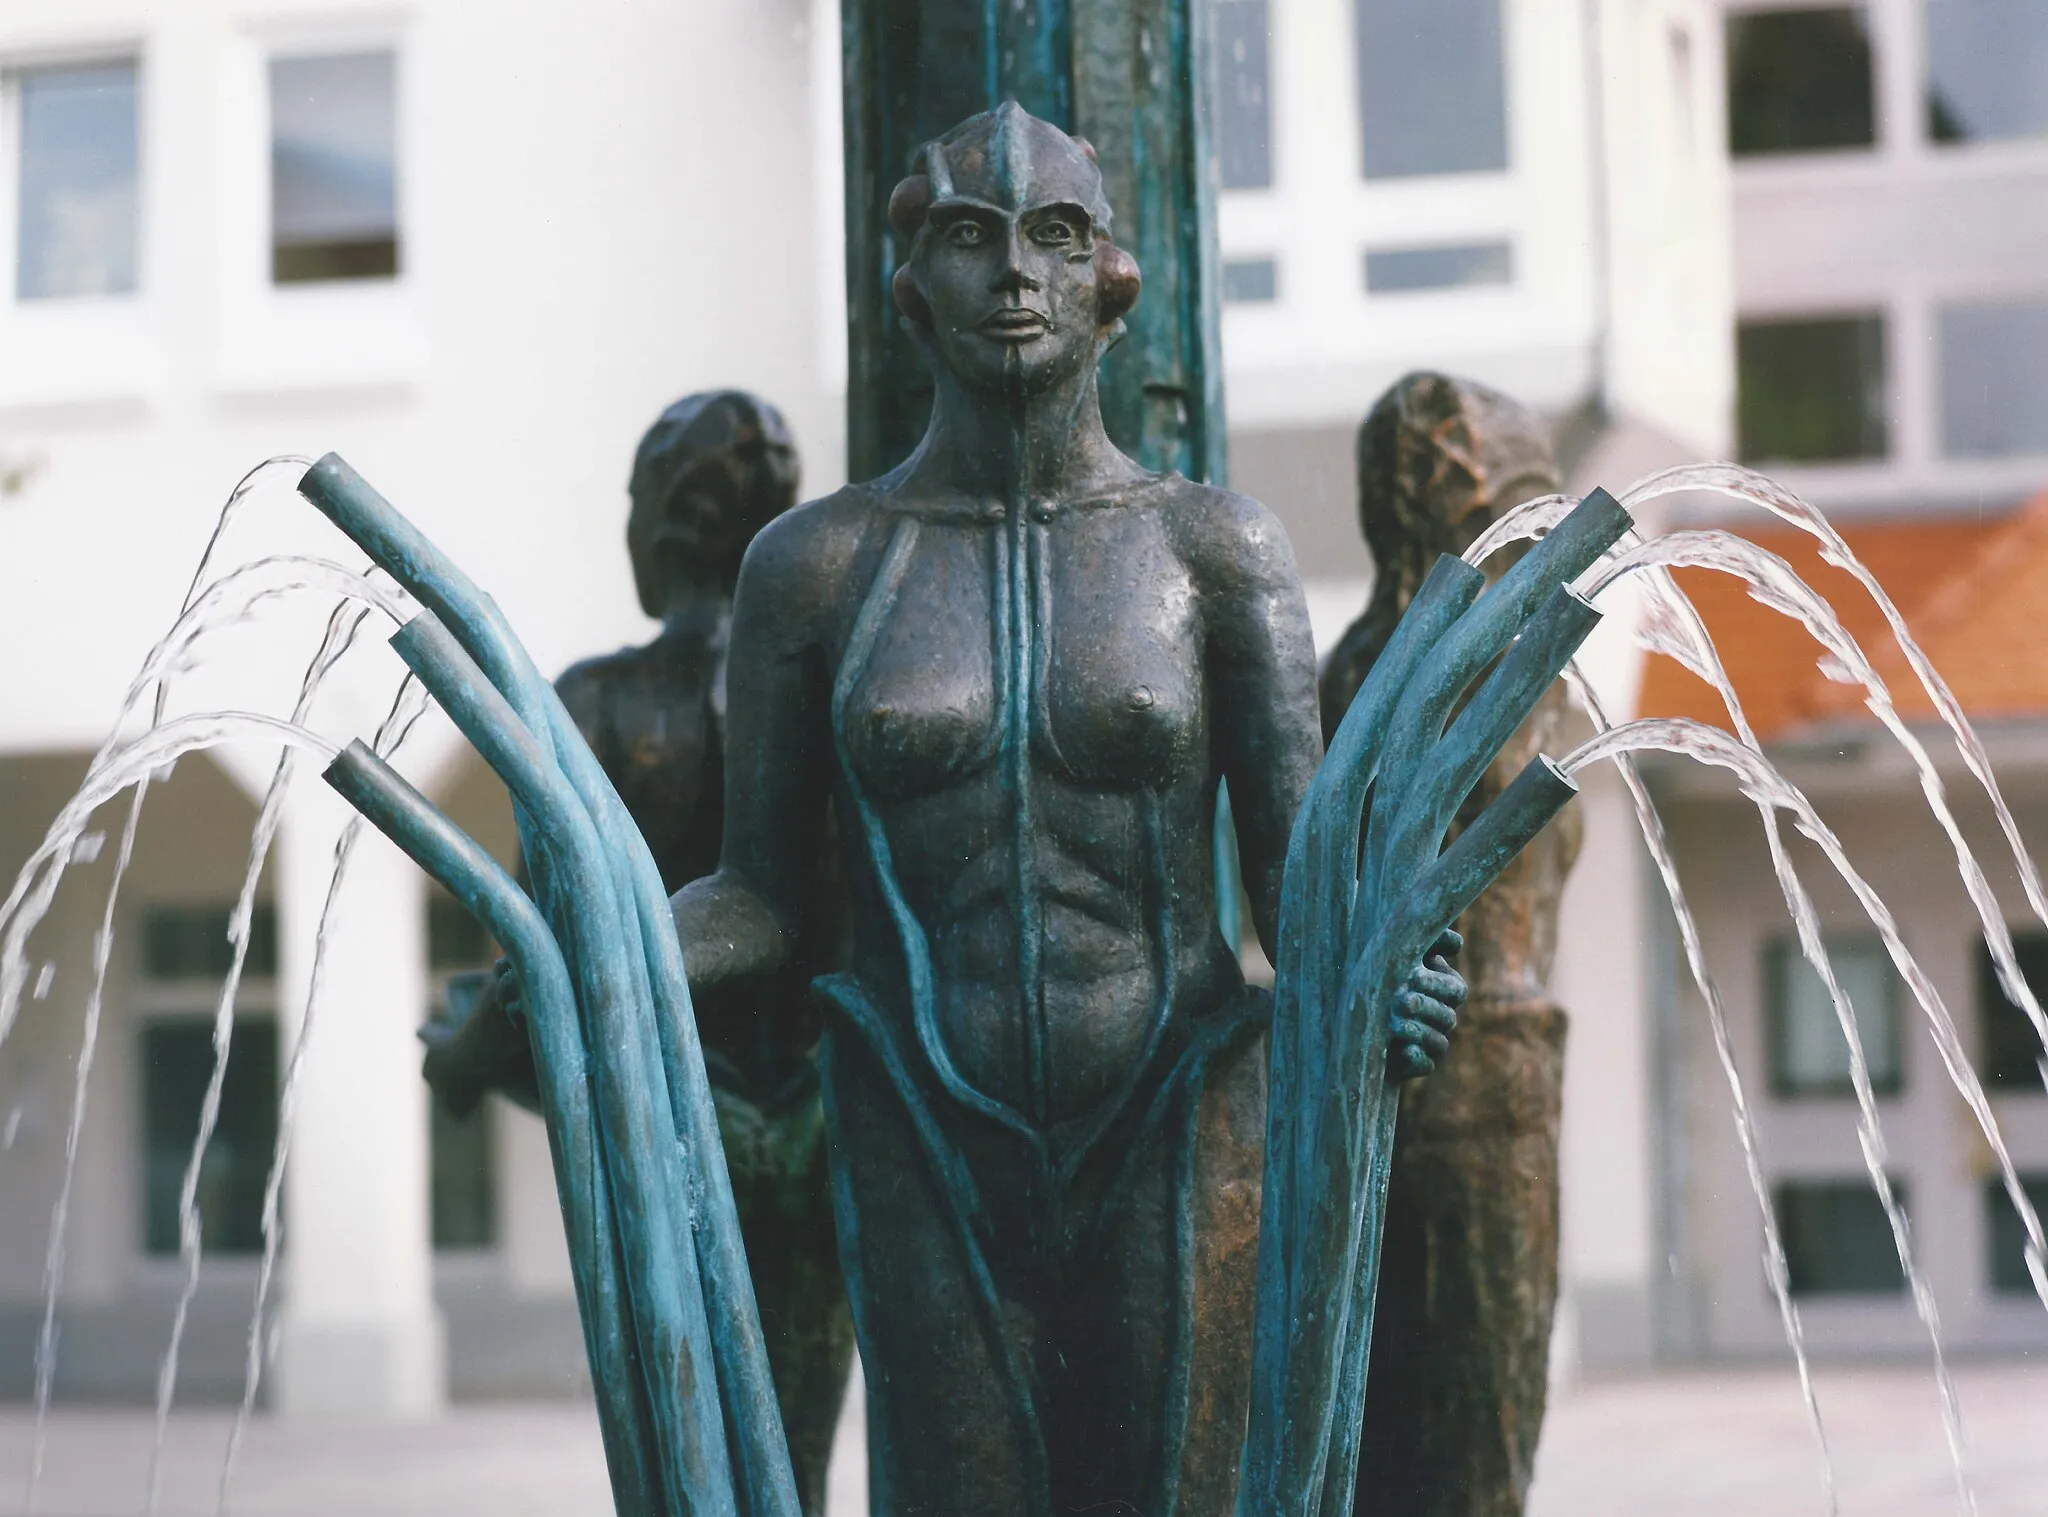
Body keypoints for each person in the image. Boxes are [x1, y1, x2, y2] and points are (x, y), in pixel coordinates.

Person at [665, 104, 1463, 1514]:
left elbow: (1302, 894)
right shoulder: (817, 566)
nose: (1014, 274)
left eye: (1053, 237)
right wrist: (610, 951)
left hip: (1174, 1096)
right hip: (921, 1112)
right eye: (972, 238)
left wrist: (1388, 971)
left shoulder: (1214, 548)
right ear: (913, 291)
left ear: (1114, 285)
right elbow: (762, 898)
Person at [421, 391, 853, 1515]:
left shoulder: (594, 707)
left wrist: (460, 1058)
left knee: (677, 1457)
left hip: (668, 1121)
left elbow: (541, 970)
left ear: (659, 522)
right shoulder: (829, 687)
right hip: (817, 1126)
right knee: (792, 1453)